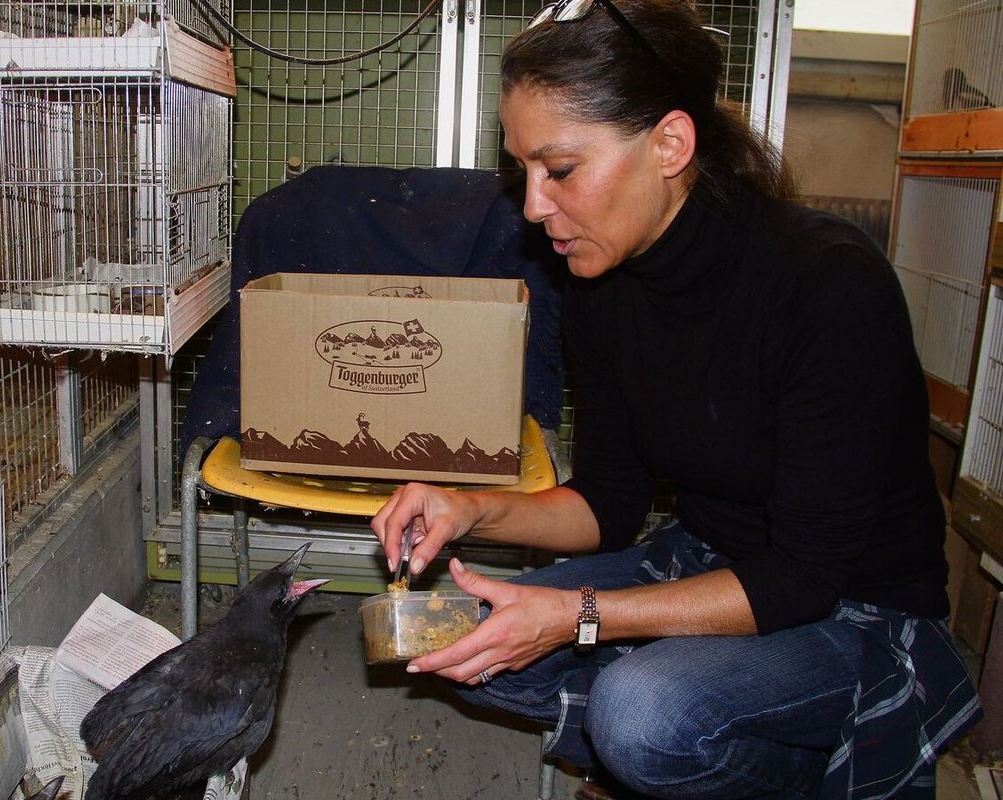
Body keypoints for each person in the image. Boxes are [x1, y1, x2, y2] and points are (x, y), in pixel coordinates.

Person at [369, 1, 982, 797]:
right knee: (451, 637)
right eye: (521, 171)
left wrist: (580, 617)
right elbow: (610, 502)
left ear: (670, 144)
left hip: (855, 612)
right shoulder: (601, 281)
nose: (532, 206)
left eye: (559, 170)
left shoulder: (826, 285)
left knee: (643, 714)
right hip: (711, 561)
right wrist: (470, 509)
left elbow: (801, 579)